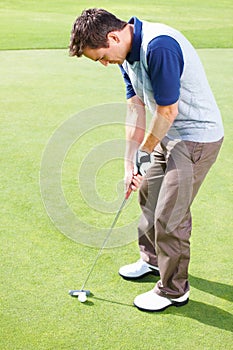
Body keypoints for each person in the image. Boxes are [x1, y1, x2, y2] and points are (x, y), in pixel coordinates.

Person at [69, 8, 224, 312]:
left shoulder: (159, 46)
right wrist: (130, 163)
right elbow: (135, 109)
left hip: (196, 138)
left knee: (169, 216)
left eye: (100, 56)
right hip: (167, 134)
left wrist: (146, 150)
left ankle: (173, 290)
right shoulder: (125, 56)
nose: (103, 63)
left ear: (113, 37)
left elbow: (167, 111)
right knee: (148, 196)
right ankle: (152, 260)